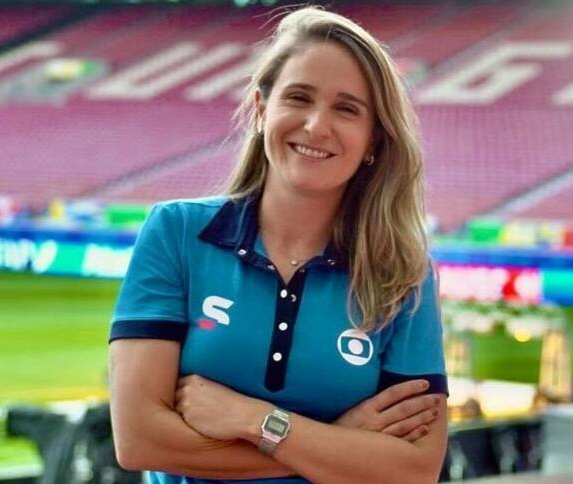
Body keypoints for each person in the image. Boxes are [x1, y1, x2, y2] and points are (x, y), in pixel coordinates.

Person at [108, 6, 449, 484]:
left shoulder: (403, 274)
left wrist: (258, 421)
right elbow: (140, 439)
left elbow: (414, 471)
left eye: (346, 108)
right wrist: (337, 441)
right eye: (299, 98)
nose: (315, 126)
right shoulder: (177, 232)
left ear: (374, 138)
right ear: (263, 107)